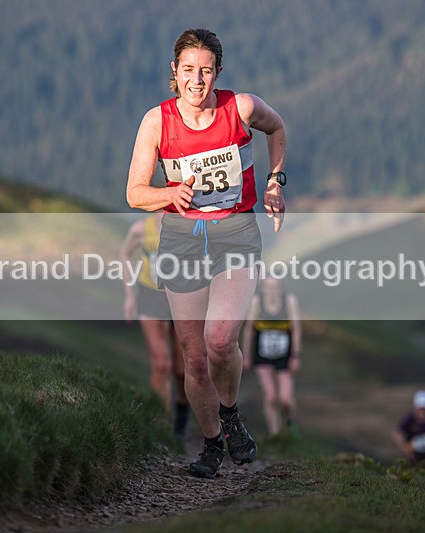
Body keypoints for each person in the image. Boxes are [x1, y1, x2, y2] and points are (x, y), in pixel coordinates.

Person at [126, 28, 287, 479]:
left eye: (206, 70)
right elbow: (135, 193)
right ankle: (212, 444)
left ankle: (231, 415)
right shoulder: (157, 122)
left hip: (236, 231)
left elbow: (277, 128)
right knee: (193, 356)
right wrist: (169, 192)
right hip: (182, 239)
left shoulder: (242, 108)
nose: (198, 80)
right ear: (174, 73)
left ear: (218, 72)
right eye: (189, 70)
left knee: (220, 340)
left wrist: (275, 182)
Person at [119, 212, 189, 438]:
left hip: (181, 297)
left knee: (181, 367)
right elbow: (124, 255)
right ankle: (162, 424)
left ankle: (182, 405)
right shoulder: (141, 229)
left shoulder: (187, 226)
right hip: (150, 296)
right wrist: (129, 295)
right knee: (161, 363)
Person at [242, 277, 301, 437]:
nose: (271, 291)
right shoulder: (257, 302)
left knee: (285, 399)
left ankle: (290, 421)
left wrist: (296, 356)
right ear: (263, 288)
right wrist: (246, 356)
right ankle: (275, 435)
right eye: (268, 287)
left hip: (285, 357)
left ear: (281, 288)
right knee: (270, 397)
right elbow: (249, 330)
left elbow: (296, 329)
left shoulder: (289, 301)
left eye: (275, 288)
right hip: (262, 357)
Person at [392, 390, 425, 463]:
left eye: (424, 408)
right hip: (413, 451)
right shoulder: (409, 418)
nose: (422, 411)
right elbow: (398, 433)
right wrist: (405, 447)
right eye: (420, 408)